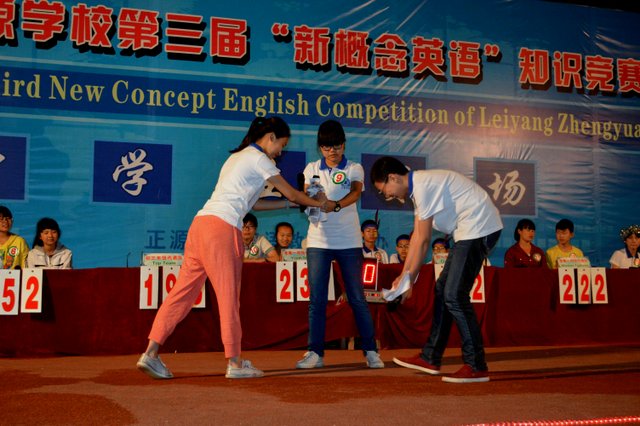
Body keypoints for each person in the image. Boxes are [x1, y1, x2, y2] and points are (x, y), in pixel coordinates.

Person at [137, 117, 330, 380]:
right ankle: (235, 363)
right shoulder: (260, 159)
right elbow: (292, 193)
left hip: (200, 226)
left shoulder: (237, 157)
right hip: (222, 229)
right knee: (228, 298)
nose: (280, 152)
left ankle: (150, 352)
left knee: (181, 294)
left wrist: (293, 204)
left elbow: (255, 204)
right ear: (270, 137)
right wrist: (319, 203)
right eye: (281, 145)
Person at [370, 156, 503, 383]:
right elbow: (416, 238)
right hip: (469, 230)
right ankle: (430, 357)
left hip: (479, 228)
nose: (387, 196)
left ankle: (476, 365)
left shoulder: (423, 186)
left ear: (393, 178)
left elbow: (423, 240)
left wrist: (408, 280)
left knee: (454, 295)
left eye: (385, 191)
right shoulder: (418, 188)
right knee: (443, 290)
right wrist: (404, 278)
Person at [296, 119, 383, 370]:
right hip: (318, 240)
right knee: (317, 299)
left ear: (344, 145)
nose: (332, 151)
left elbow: (355, 193)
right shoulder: (312, 168)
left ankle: (370, 350)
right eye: (326, 147)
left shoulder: (355, 168)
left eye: (336, 146)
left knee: (357, 297)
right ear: (320, 148)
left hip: (348, 240)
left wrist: (334, 205)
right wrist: (316, 201)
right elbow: (308, 195)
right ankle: (315, 352)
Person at [0, 206, 29, 270]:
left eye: (8, 218)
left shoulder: (20, 241)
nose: (5, 221)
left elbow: (26, 267)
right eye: (1, 219)